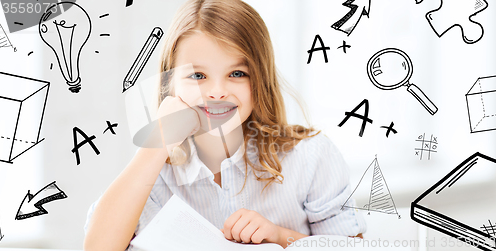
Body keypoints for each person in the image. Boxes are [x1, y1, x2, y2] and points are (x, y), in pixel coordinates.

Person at [83, 0, 366, 250]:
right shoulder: (155, 172)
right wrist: (155, 142)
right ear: (171, 84)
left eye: (237, 73)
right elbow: (98, 247)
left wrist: (280, 236)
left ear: (260, 81)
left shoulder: (311, 157)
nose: (217, 92)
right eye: (198, 75)